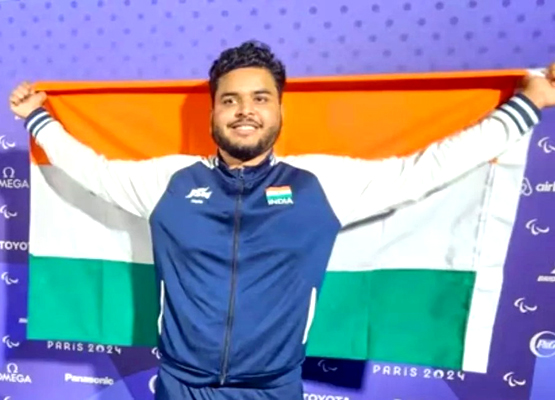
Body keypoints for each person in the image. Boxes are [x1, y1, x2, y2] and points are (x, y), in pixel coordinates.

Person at [9, 40, 555, 400]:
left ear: (278, 109)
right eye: (230, 100)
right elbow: (91, 170)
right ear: (213, 111)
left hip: (273, 389)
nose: (245, 109)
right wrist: (37, 117)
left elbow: (428, 169)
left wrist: (527, 103)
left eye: (260, 98)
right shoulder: (167, 183)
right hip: (180, 386)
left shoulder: (322, 183)